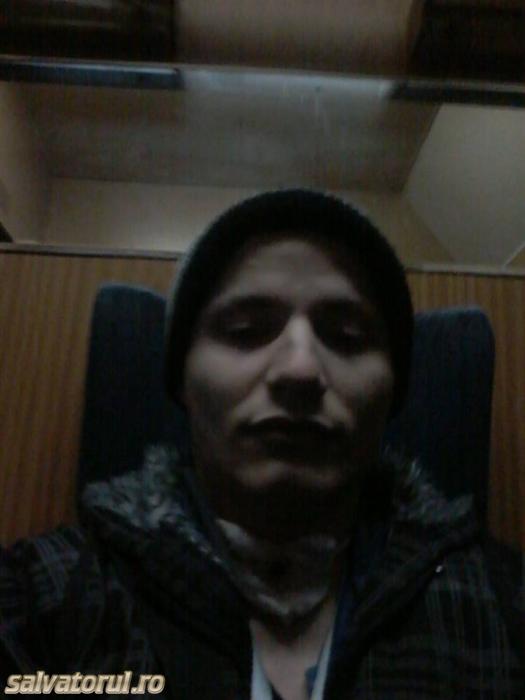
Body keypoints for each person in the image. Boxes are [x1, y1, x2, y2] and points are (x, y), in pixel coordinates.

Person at [0, 190, 522, 699]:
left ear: (394, 394)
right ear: (181, 381)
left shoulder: (505, 607)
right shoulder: (48, 593)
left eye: (347, 337)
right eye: (245, 330)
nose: (300, 369)